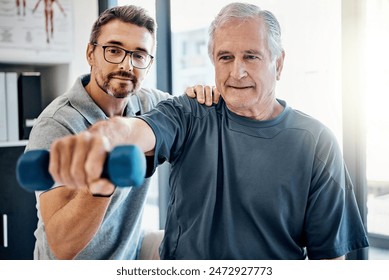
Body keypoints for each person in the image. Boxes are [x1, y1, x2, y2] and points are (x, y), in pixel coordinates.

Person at [46, 2, 369, 259]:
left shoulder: (316, 142)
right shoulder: (189, 112)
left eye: (251, 56)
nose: (236, 71)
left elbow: (328, 259)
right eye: (225, 57)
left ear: (279, 63)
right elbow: (137, 128)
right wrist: (104, 136)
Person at [26, 5, 218, 260]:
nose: (127, 65)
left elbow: (190, 117)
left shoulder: (151, 104)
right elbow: (62, 246)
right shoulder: (56, 125)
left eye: (139, 55)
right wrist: (101, 179)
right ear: (90, 53)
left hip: (129, 256)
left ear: (149, 64)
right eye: (114, 50)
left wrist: (203, 97)